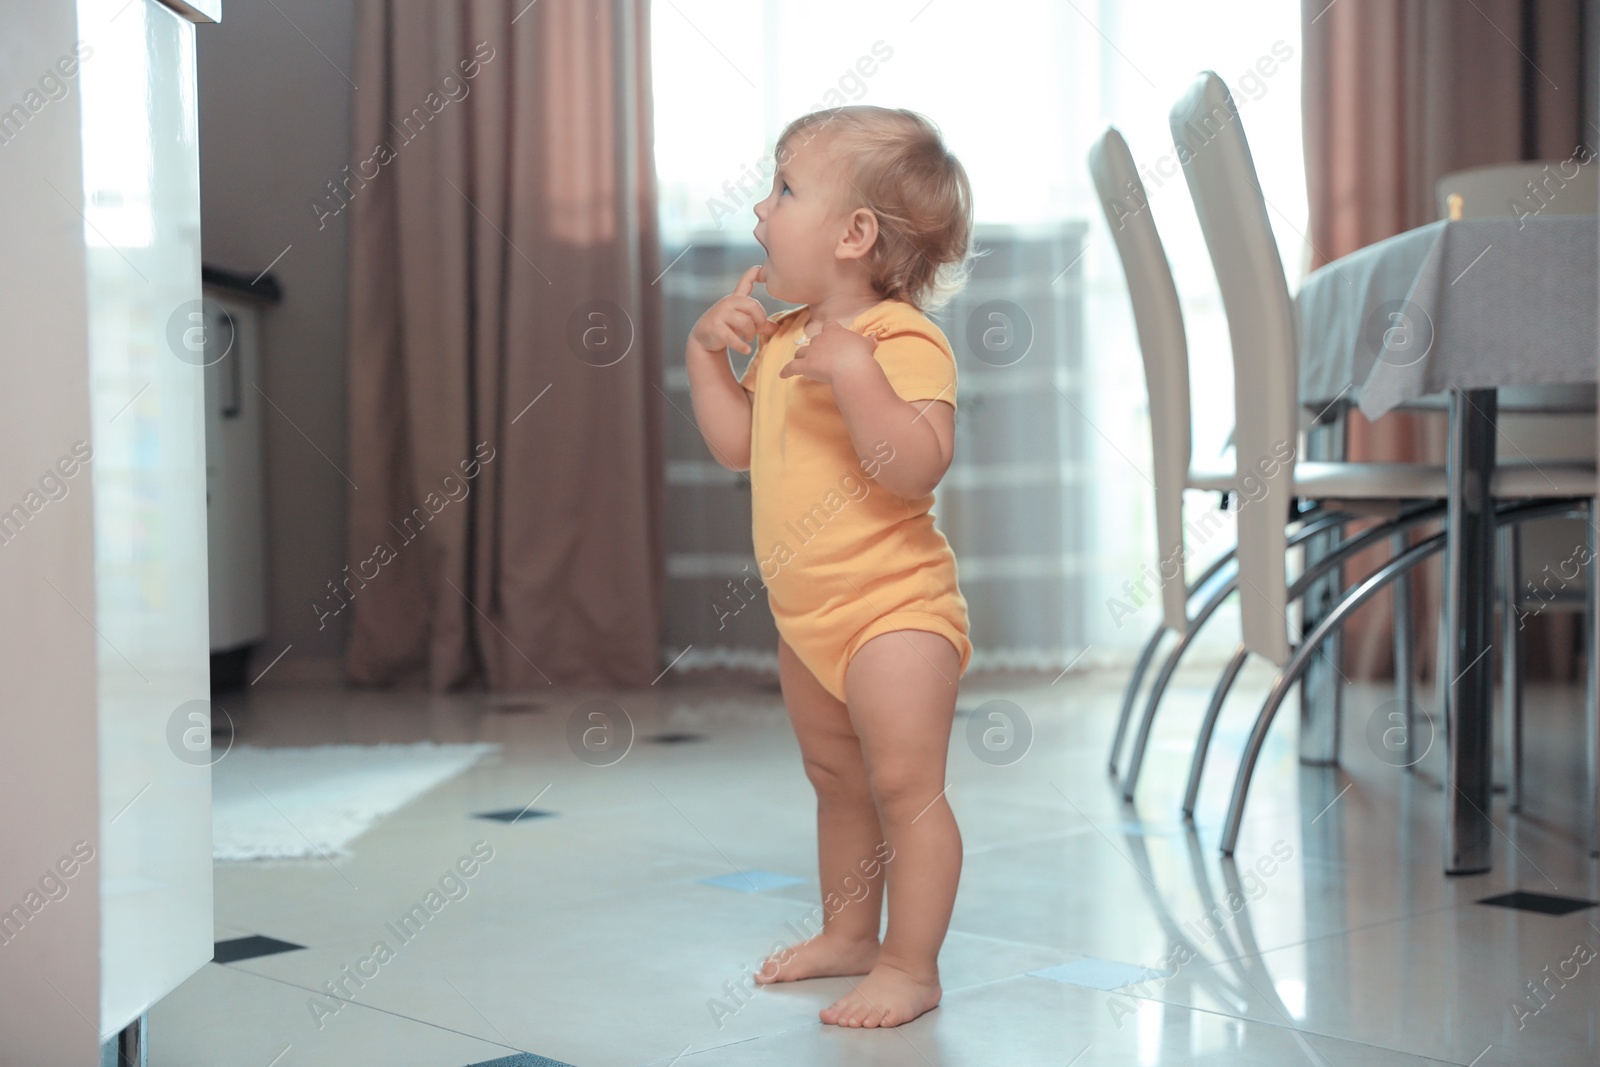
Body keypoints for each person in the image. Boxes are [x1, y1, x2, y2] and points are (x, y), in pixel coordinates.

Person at [684, 104, 977, 1029]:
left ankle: (909, 963)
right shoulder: (782, 338)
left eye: (783, 189)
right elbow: (737, 445)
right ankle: (850, 933)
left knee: (903, 788)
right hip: (807, 618)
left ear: (854, 235)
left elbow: (914, 469)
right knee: (837, 780)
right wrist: (705, 356)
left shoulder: (900, 341)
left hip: (897, 613)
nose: (760, 210)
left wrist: (856, 374)